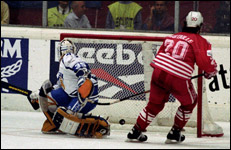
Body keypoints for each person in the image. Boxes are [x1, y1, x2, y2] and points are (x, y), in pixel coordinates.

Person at [127, 11, 217, 143]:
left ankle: (136, 130)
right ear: (200, 26)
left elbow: (162, 56)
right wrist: (211, 72)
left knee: (154, 105)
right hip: (178, 77)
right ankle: (175, 132)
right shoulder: (201, 41)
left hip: (159, 72)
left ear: (184, 23)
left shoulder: (172, 37)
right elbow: (205, 63)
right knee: (190, 102)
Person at [30, 39, 110, 138]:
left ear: (60, 51)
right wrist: (39, 93)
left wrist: (83, 79)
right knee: (48, 98)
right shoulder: (62, 66)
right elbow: (60, 86)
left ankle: (98, 123)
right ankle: (56, 123)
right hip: (71, 96)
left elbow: (81, 67)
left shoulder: (67, 58)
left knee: (66, 118)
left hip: (84, 99)